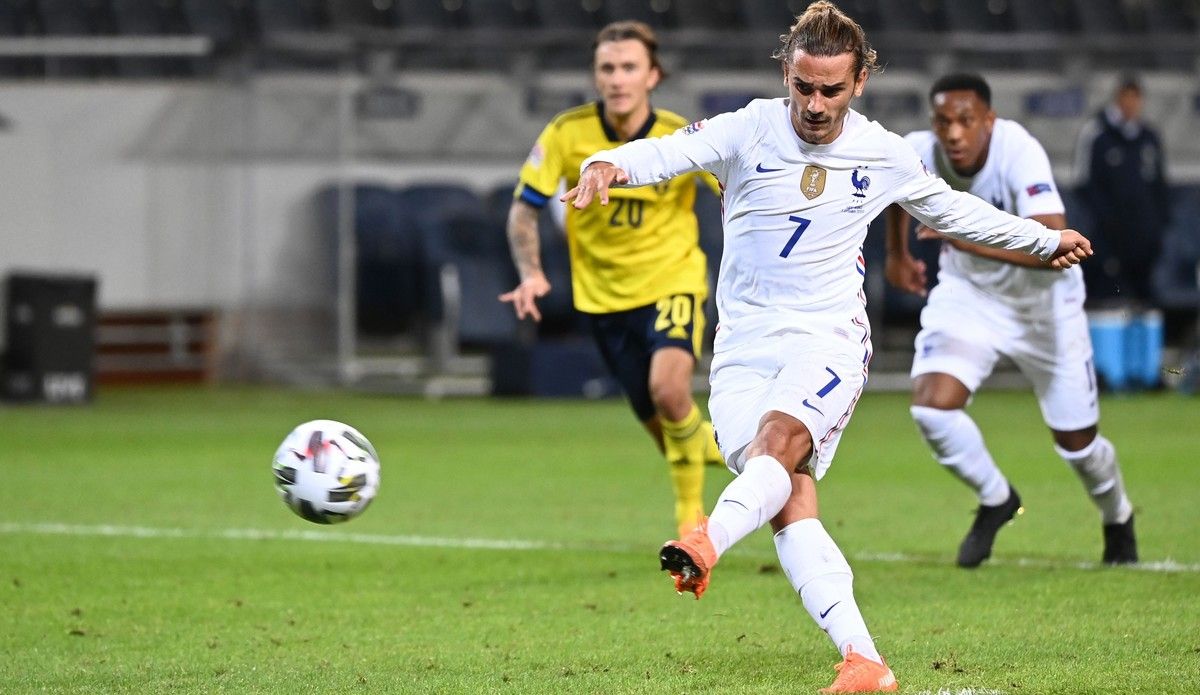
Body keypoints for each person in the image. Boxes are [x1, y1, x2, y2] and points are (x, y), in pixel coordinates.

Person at [564, 3, 1093, 692]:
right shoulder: (749, 127)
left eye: (831, 90)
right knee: (786, 496)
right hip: (744, 344)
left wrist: (1043, 238)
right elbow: (667, 152)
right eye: (804, 87)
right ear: (786, 74)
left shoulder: (882, 151)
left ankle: (706, 538)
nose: (815, 104)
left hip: (828, 337)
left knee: (780, 445)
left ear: (860, 82)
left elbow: (952, 209)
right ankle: (864, 659)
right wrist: (609, 163)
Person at [884, 73, 1138, 570]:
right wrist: (896, 255)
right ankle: (996, 498)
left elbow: (1054, 246)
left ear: (988, 121)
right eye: (943, 122)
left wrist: (961, 238)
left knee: (1078, 447)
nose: (953, 133)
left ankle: (1118, 516)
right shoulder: (917, 151)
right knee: (932, 409)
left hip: (1045, 308)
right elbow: (896, 191)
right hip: (970, 297)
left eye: (965, 120)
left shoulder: (1018, 151)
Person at [499, 21, 723, 537]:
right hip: (602, 302)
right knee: (668, 433)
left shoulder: (679, 135)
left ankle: (691, 521)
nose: (617, 79)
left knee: (670, 392)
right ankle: (746, 457)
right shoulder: (566, 133)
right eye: (607, 68)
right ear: (596, 76)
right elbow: (524, 211)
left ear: (653, 75)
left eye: (629, 67)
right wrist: (531, 274)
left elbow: (734, 193)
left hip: (673, 283)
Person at [1075, 74, 1169, 306]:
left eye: (1136, 98)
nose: (1131, 104)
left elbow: (1159, 187)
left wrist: (1157, 229)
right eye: (1127, 97)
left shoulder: (1149, 138)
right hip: (1108, 239)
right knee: (1109, 299)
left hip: (1143, 241)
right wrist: (1106, 223)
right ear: (1118, 99)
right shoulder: (1097, 135)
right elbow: (1084, 184)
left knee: (1145, 300)